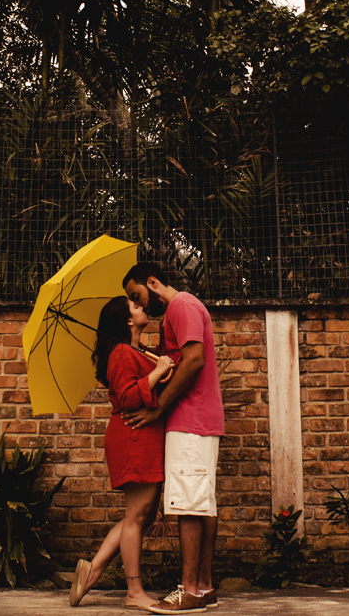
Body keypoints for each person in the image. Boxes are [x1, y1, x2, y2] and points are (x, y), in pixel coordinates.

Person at [121, 263, 223, 615]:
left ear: (152, 282)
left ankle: (189, 590)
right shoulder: (175, 316)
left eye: (137, 295)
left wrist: (158, 408)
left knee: (188, 504)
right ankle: (204, 587)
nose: (141, 305)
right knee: (201, 501)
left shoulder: (181, 305)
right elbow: (183, 361)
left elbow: (194, 361)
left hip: (190, 419)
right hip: (197, 419)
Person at [70, 296, 175, 610]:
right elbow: (129, 396)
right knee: (137, 518)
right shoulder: (119, 352)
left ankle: (92, 570)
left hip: (143, 436)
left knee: (139, 517)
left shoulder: (135, 350)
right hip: (133, 436)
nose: (142, 306)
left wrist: (160, 363)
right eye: (134, 305)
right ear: (127, 320)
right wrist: (158, 372)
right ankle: (134, 591)